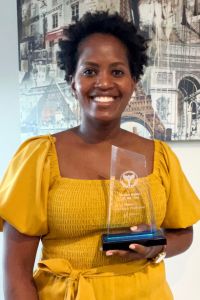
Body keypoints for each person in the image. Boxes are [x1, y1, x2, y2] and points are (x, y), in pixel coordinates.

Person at [0, 11, 200, 300]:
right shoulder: (39, 158)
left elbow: (185, 234)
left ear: (133, 83)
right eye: (90, 71)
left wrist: (157, 244)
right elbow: (16, 274)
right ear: (72, 82)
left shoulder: (159, 157)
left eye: (117, 72)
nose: (103, 83)